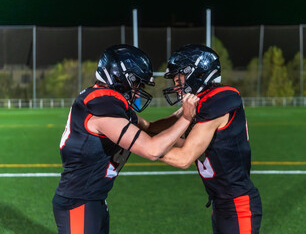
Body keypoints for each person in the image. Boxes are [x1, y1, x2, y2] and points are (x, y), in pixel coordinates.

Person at [52, 44, 199, 234]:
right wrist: (187, 118)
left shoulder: (106, 100)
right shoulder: (102, 104)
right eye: (137, 83)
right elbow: (152, 149)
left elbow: (150, 127)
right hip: (79, 201)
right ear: (120, 77)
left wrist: (180, 113)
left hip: (94, 199)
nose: (138, 91)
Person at [159, 44, 262, 234]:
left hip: (237, 204)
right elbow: (167, 127)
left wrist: (138, 145)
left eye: (178, 78)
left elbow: (184, 158)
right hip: (221, 204)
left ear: (197, 73)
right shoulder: (203, 100)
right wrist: (134, 126)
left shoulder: (219, 99)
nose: (175, 86)